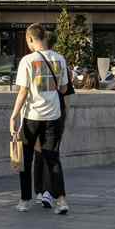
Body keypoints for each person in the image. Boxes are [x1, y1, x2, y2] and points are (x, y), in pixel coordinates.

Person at [10, 23, 71, 215]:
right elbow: (63, 89)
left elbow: (23, 91)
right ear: (44, 37)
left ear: (29, 39)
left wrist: (14, 115)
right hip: (53, 116)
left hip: (32, 116)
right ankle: (61, 200)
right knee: (53, 159)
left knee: (26, 160)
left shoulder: (27, 60)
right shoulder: (60, 59)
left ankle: (25, 200)